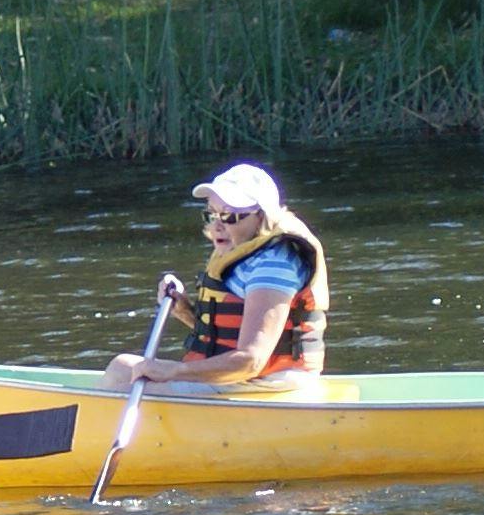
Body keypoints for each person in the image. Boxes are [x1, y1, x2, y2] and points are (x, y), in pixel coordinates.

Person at [108, 163, 327, 392]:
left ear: (261, 216)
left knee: (123, 390)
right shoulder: (240, 251)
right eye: (212, 214)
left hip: (271, 382)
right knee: (121, 367)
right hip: (244, 377)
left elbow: (251, 359)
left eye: (229, 216)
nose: (217, 226)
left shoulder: (273, 264)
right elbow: (225, 332)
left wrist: (173, 370)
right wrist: (184, 309)